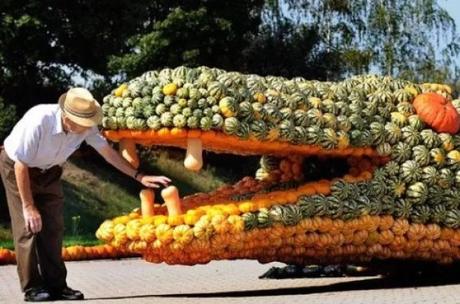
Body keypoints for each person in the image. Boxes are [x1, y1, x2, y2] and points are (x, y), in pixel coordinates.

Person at [0, 87, 171, 302]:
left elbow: (107, 153)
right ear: (66, 116)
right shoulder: (39, 119)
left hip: (50, 170)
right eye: (82, 123)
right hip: (16, 166)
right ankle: (32, 287)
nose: (87, 129)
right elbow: (20, 165)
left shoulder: (86, 125)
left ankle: (57, 286)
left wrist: (138, 176)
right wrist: (28, 206)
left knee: (53, 227)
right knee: (28, 226)